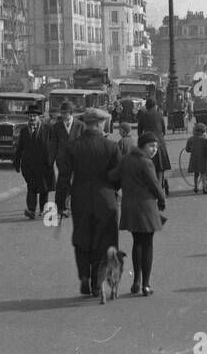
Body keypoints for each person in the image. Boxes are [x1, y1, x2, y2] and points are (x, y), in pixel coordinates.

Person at [55, 108, 123, 297]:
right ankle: (96, 282)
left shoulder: (73, 146)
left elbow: (63, 178)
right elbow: (119, 175)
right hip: (106, 199)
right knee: (104, 241)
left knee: (82, 237)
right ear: (101, 124)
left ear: (85, 123)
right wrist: (113, 189)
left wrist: (60, 204)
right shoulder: (111, 146)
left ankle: (84, 275)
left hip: (81, 198)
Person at [112, 131, 165, 296]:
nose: (154, 149)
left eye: (156, 146)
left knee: (137, 243)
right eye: (151, 146)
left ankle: (136, 281)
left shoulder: (126, 159)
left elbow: (114, 177)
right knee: (148, 244)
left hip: (130, 206)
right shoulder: (146, 163)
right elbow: (155, 185)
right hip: (146, 206)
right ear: (142, 146)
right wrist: (162, 200)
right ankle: (146, 284)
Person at [14, 104, 53, 220]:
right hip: (29, 165)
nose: (32, 118)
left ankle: (43, 210)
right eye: (30, 116)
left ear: (39, 117)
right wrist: (17, 162)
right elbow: (20, 147)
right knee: (31, 187)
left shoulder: (47, 129)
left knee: (44, 189)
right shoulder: (24, 131)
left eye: (34, 116)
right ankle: (31, 210)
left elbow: (52, 146)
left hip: (44, 164)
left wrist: (50, 161)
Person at [136, 98, 171, 197]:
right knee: (160, 167)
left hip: (147, 143)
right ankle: (159, 188)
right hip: (159, 142)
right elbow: (164, 130)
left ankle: (150, 187)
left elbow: (139, 131)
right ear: (155, 105)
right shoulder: (159, 114)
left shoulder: (143, 115)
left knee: (148, 166)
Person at [185, 122, 207, 193]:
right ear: (204, 131)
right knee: (203, 174)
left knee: (196, 174)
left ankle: (196, 187)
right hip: (203, 159)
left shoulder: (190, 139)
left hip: (194, 159)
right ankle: (204, 188)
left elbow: (187, 150)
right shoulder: (206, 139)